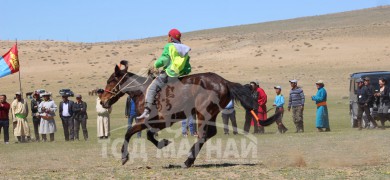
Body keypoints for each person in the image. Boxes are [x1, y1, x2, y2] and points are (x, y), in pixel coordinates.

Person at [137, 28, 191, 119]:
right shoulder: (184, 49)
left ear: (170, 37)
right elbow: (187, 66)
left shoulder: (169, 46)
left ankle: (147, 110)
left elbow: (164, 60)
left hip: (168, 74)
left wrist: (156, 64)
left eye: (168, 36)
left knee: (151, 88)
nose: (167, 38)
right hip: (179, 75)